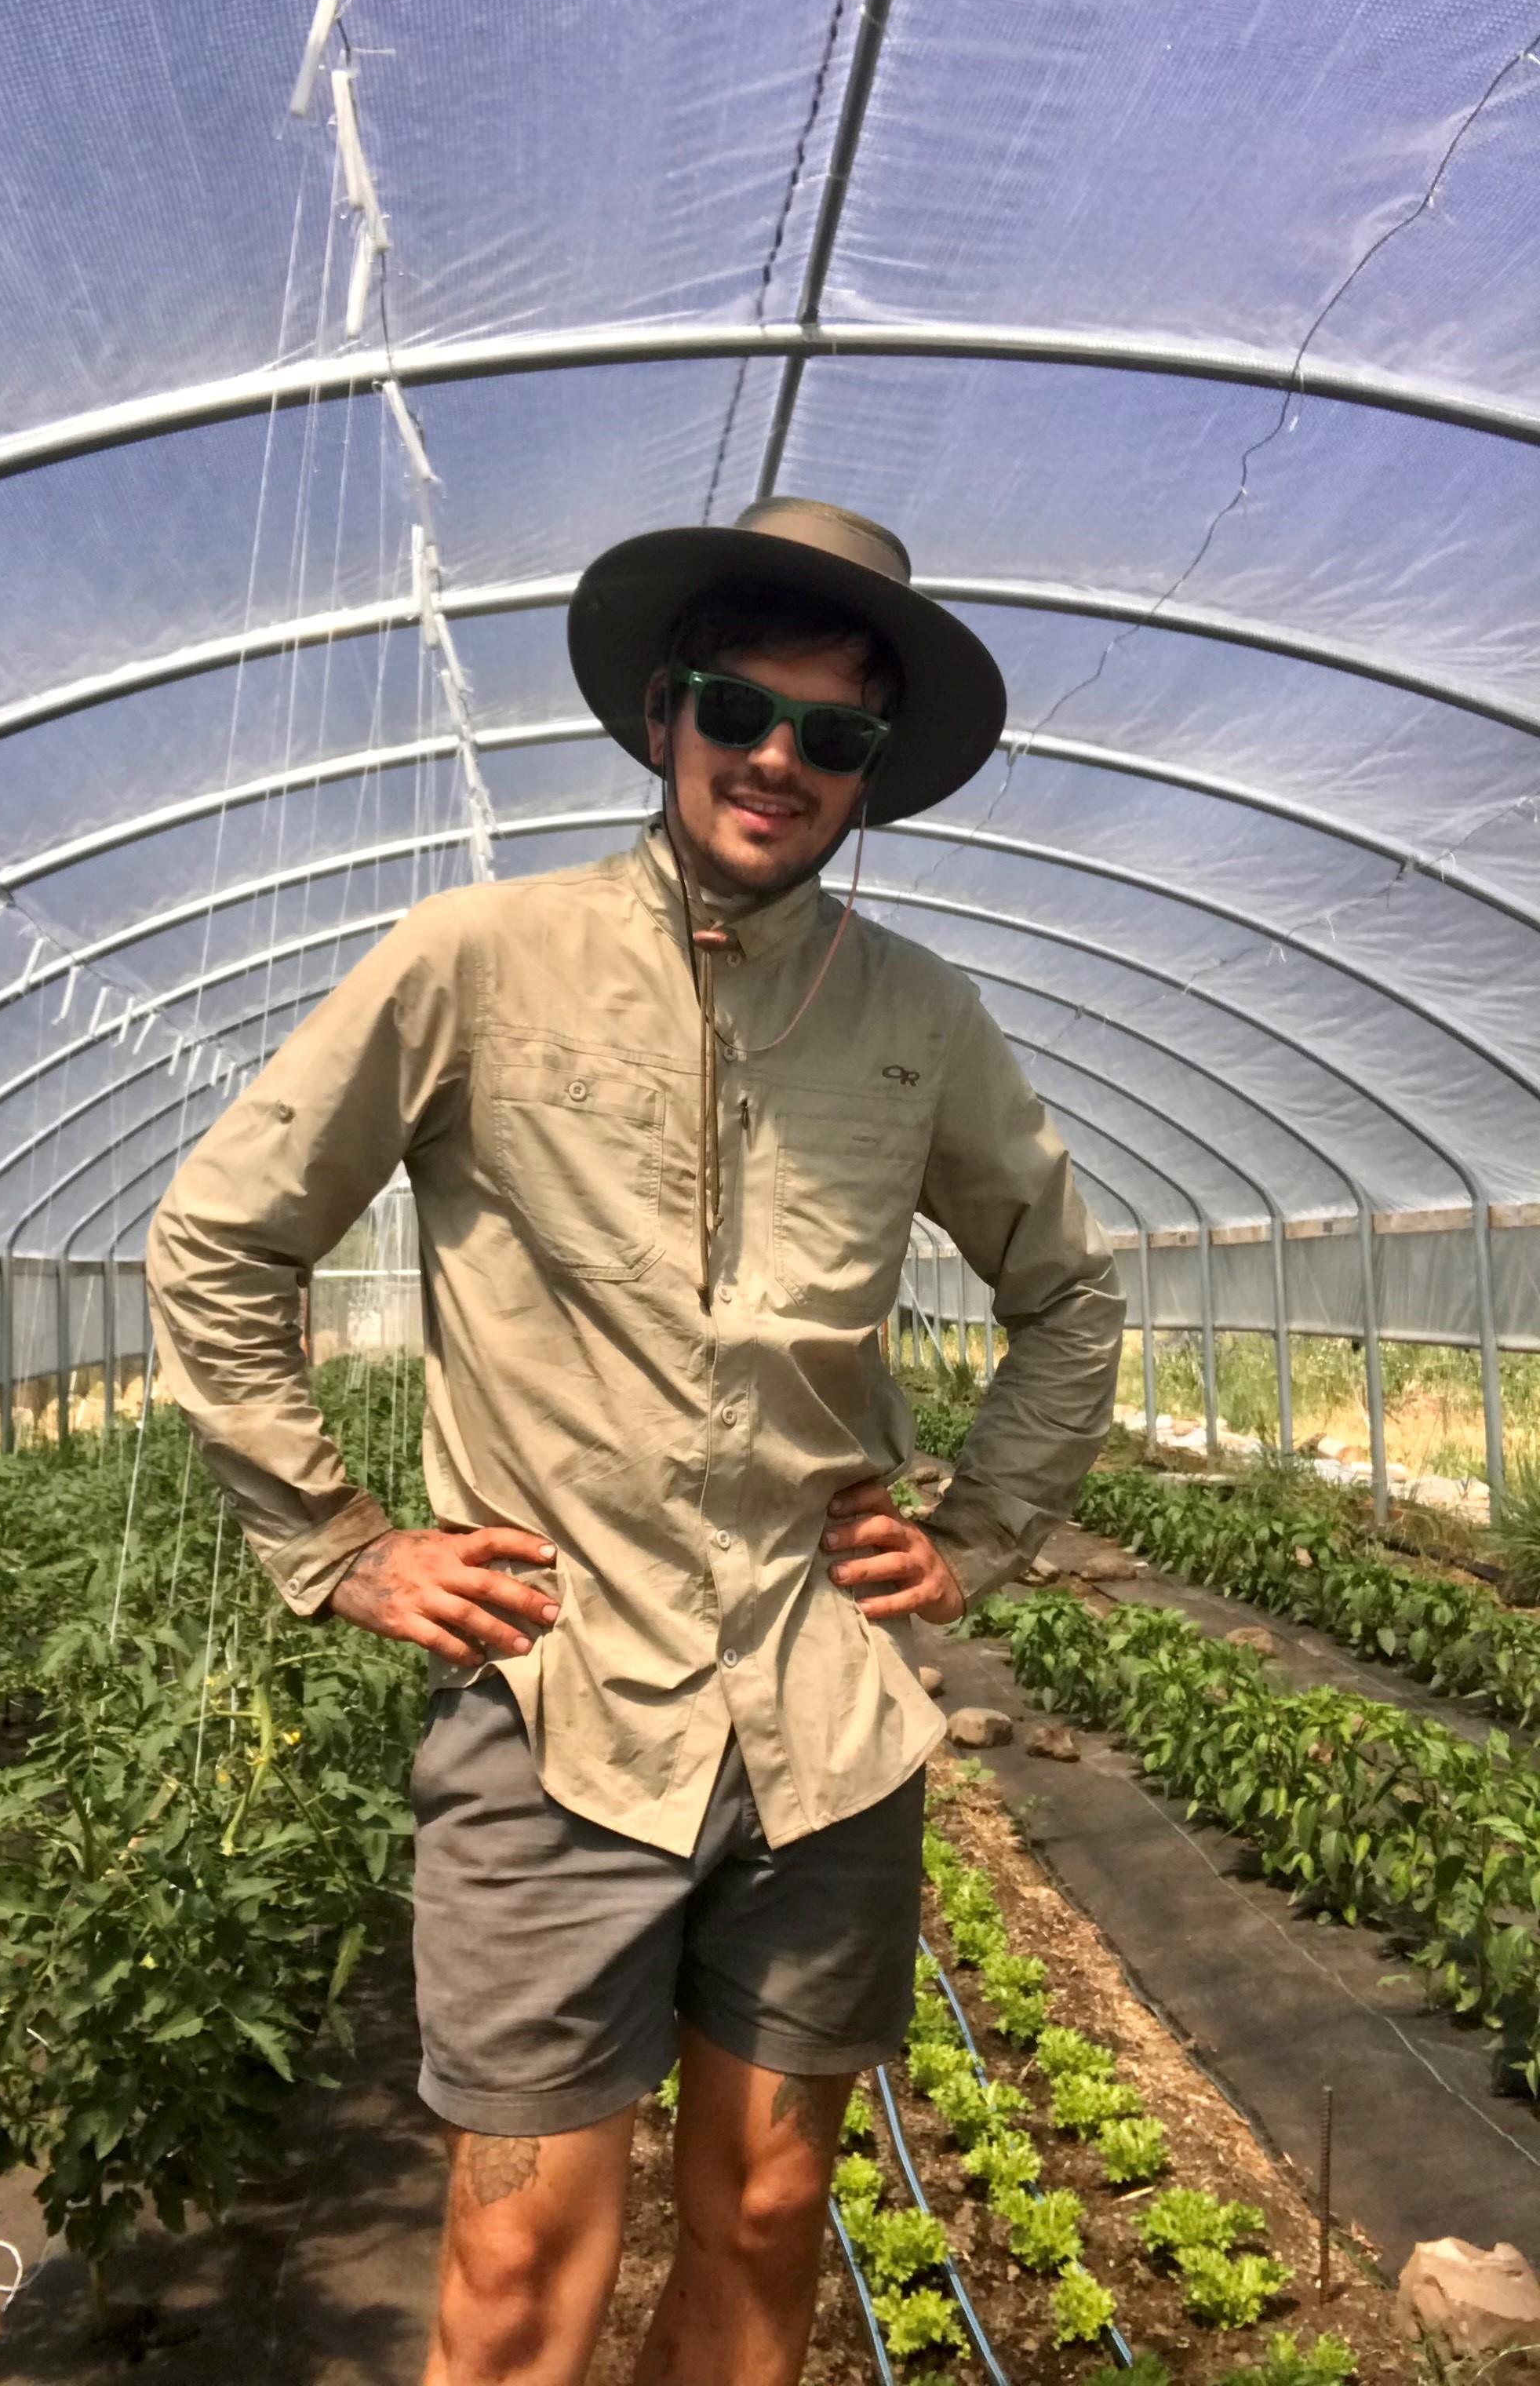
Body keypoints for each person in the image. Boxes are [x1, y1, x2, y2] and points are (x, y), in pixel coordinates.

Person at [146, 495, 1123, 2386]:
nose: (780, 758)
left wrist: (981, 1528)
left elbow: (1067, 1294)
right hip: (553, 1707)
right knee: (520, 2260)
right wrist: (343, 1541)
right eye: (743, 709)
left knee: (766, 2217)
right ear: (665, 711)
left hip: (820, 1727)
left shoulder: (918, 1018)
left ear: (871, 773)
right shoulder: (475, 958)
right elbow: (220, 1235)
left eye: (833, 732)